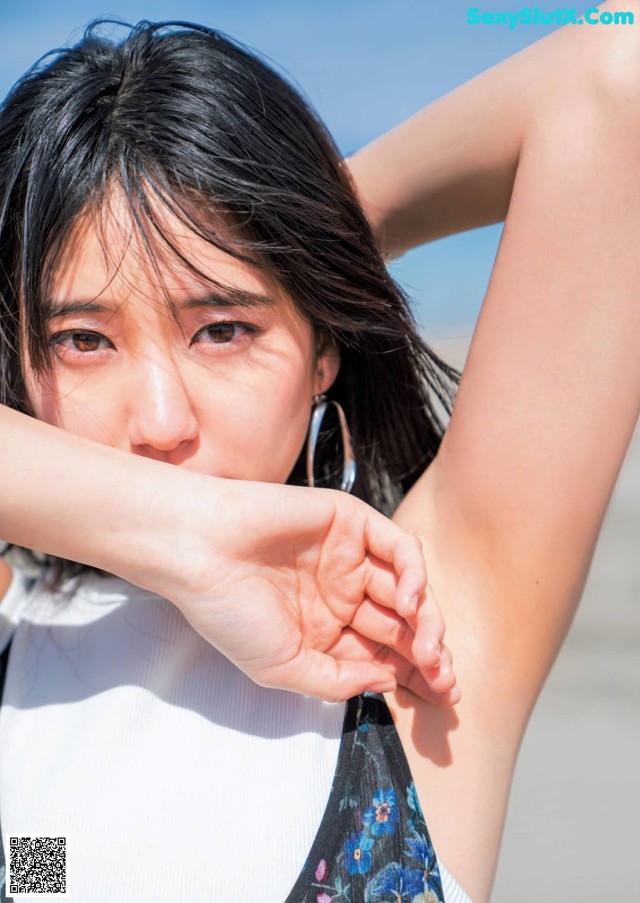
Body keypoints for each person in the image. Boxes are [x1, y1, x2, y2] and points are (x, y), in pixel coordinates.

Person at [1, 7, 638, 902]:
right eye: (82, 340)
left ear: (319, 356)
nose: (157, 420)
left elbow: (620, 74)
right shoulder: (18, 623)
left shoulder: (411, 637)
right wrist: (191, 536)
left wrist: (306, 230)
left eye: (223, 328)